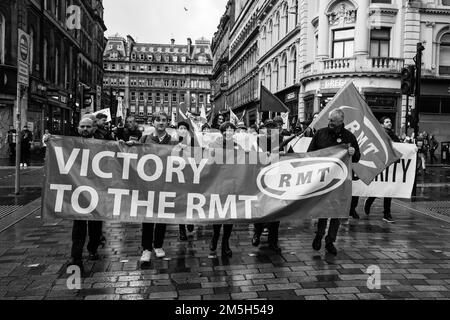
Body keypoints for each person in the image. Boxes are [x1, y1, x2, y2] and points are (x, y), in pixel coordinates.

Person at [308, 109, 360, 255]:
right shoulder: (320, 134)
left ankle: (330, 241)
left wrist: (352, 152)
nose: (329, 122)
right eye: (329, 120)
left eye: (332, 120)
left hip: (340, 181)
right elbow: (310, 154)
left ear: (340, 122)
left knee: (337, 211)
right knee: (323, 210)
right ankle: (319, 235)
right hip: (323, 180)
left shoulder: (349, 137)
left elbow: (357, 158)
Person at [138, 112, 175, 263]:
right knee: (147, 216)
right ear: (153, 122)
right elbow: (134, 154)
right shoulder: (145, 138)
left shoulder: (172, 141)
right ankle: (146, 248)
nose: (161, 122)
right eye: (158, 120)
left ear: (167, 123)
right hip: (147, 182)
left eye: (164, 120)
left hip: (165, 182)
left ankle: (158, 245)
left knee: (161, 215)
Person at [68, 118, 104, 272]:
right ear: (77, 128)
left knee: (95, 224)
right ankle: (76, 256)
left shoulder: (103, 144)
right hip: (79, 190)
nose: (85, 129)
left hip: (97, 189)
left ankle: (93, 247)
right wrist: (48, 141)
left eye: (88, 126)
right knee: (79, 225)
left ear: (94, 128)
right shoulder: (71, 143)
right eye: (82, 126)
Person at [208, 121, 238, 257]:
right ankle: (215, 236)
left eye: (232, 130)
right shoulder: (214, 144)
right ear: (222, 131)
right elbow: (208, 160)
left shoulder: (238, 146)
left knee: (229, 215)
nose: (229, 132)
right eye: (227, 129)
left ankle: (225, 242)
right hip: (218, 183)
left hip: (232, 184)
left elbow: (250, 158)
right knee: (218, 213)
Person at [252, 119, 282, 253]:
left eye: (273, 127)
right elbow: (251, 157)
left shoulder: (281, 140)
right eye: (267, 127)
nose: (270, 130)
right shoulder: (259, 141)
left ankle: (273, 241)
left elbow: (293, 156)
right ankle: (257, 233)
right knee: (260, 209)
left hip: (277, 180)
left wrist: (282, 155)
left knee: (276, 212)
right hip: (261, 180)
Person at [363, 117, 400, 223]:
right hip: (379, 164)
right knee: (379, 186)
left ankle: (387, 214)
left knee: (388, 190)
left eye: (390, 121)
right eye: (387, 122)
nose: (390, 123)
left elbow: (399, 145)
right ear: (382, 124)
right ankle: (369, 201)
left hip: (389, 165)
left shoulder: (392, 134)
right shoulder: (379, 133)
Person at [176, 121, 195, 241]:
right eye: (180, 128)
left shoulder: (193, 141)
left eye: (184, 128)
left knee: (191, 200)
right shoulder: (174, 141)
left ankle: (190, 220)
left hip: (191, 174)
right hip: (178, 175)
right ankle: (181, 228)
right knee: (180, 202)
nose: (182, 130)